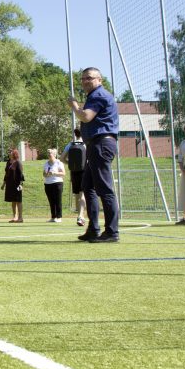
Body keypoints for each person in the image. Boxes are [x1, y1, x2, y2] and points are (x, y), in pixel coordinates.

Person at [68, 67, 120, 243]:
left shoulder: (98, 95)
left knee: (104, 189)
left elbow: (86, 117)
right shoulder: (94, 96)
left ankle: (112, 232)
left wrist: (75, 106)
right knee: (88, 186)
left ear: (100, 80)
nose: (85, 81)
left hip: (101, 144)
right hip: (95, 144)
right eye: (82, 79)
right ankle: (93, 229)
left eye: (89, 78)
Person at [61, 127, 87, 226]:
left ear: (75, 134)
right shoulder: (86, 144)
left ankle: (79, 215)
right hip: (84, 171)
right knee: (83, 194)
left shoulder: (70, 144)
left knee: (77, 194)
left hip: (74, 172)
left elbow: (62, 158)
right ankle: (81, 216)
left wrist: (70, 163)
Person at [1, 148, 25, 222]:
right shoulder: (8, 162)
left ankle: (20, 218)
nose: (9, 153)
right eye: (9, 152)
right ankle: (15, 217)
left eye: (10, 152)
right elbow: (6, 174)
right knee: (13, 201)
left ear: (14, 153)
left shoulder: (18, 162)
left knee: (18, 201)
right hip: (9, 184)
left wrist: (21, 184)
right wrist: (3, 184)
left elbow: (21, 175)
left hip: (17, 184)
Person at [42, 148, 65, 223]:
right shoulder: (46, 163)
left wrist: (54, 173)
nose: (49, 154)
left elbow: (63, 174)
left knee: (58, 200)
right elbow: (44, 174)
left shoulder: (59, 163)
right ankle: (53, 217)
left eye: (50, 153)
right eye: (48, 153)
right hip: (48, 184)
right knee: (51, 201)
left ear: (54, 154)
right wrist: (46, 174)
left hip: (57, 183)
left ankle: (59, 217)